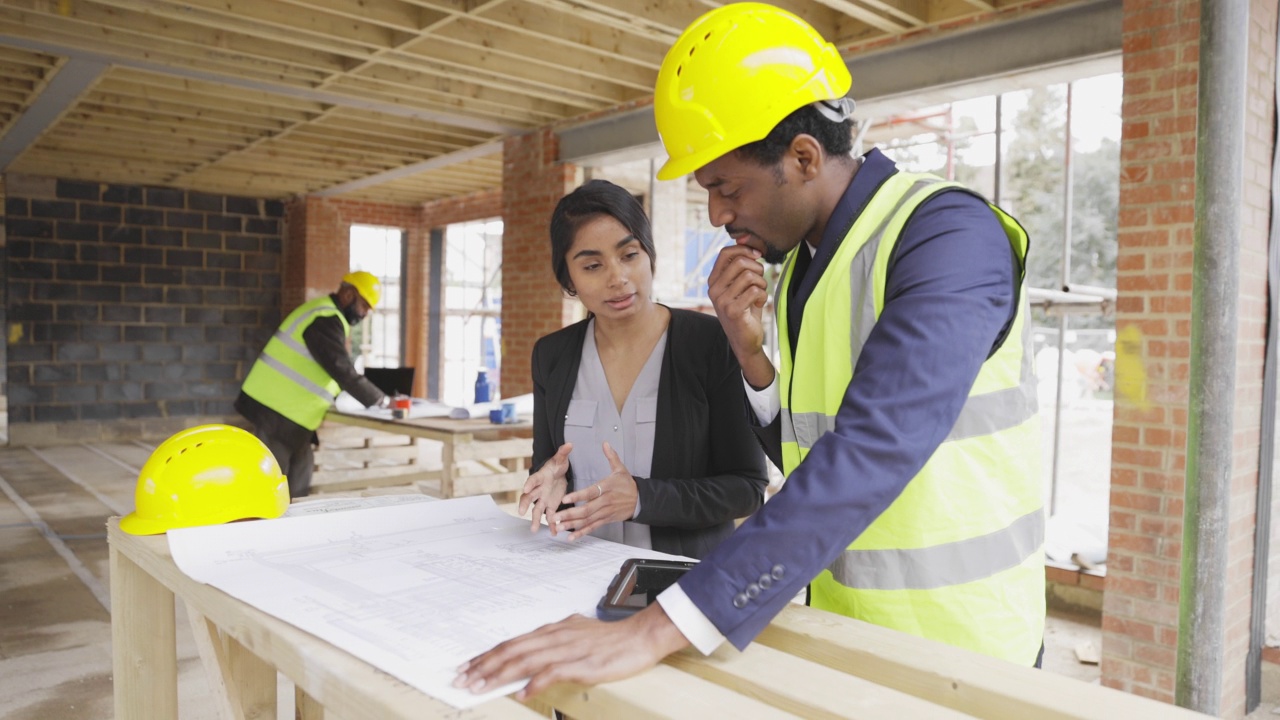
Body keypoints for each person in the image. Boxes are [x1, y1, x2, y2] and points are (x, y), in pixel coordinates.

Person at [454, 2, 1044, 698]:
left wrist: (657, 626)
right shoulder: (797, 272)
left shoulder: (946, 237)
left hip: (962, 649)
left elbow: (876, 444)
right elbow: (799, 447)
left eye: (725, 188)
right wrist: (750, 354)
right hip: (836, 627)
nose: (717, 215)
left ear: (802, 156)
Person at [519, 179, 767, 559]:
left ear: (649, 254)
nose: (617, 278)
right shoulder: (552, 356)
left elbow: (747, 488)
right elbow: (549, 465)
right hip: (574, 574)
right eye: (592, 265)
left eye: (629, 255)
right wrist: (549, 485)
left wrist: (643, 499)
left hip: (682, 586)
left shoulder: (711, 343)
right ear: (569, 279)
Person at [235, 271, 391, 498]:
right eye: (364, 306)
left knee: (299, 478)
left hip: (293, 414)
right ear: (348, 294)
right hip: (277, 410)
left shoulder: (326, 316)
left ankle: (295, 525)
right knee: (269, 485)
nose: (364, 314)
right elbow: (341, 369)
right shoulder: (325, 319)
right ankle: (258, 527)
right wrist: (380, 400)